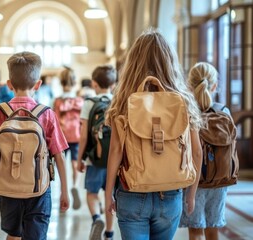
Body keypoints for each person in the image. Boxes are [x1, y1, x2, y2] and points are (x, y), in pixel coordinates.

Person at [104, 29, 203, 239]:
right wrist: (191, 195)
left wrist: (107, 193)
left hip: (132, 191)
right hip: (171, 191)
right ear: (170, 62)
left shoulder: (124, 100)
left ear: (133, 63)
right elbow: (196, 154)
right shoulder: (183, 101)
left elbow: (115, 151)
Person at [0, 51, 70, 240]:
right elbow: (59, 156)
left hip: (7, 189)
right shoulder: (46, 114)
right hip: (39, 189)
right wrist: (65, 192)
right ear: (38, 84)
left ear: (9, 85)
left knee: (13, 234)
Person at [179, 62, 230, 240]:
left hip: (194, 180)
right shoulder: (224, 112)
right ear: (214, 85)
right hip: (219, 181)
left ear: (188, 85)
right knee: (212, 229)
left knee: (195, 231)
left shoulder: (187, 113)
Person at [77, 65, 117, 240]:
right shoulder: (118, 101)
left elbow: (84, 135)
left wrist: (80, 158)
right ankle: (109, 233)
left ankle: (96, 218)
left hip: (95, 158)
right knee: (110, 197)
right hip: (115, 160)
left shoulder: (89, 103)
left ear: (94, 84)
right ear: (113, 84)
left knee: (92, 193)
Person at [53, 67, 84, 210]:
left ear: (61, 82)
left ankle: (62, 192)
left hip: (62, 137)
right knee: (74, 164)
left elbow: (54, 120)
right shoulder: (79, 100)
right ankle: (75, 186)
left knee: (61, 165)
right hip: (76, 135)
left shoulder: (58, 101)